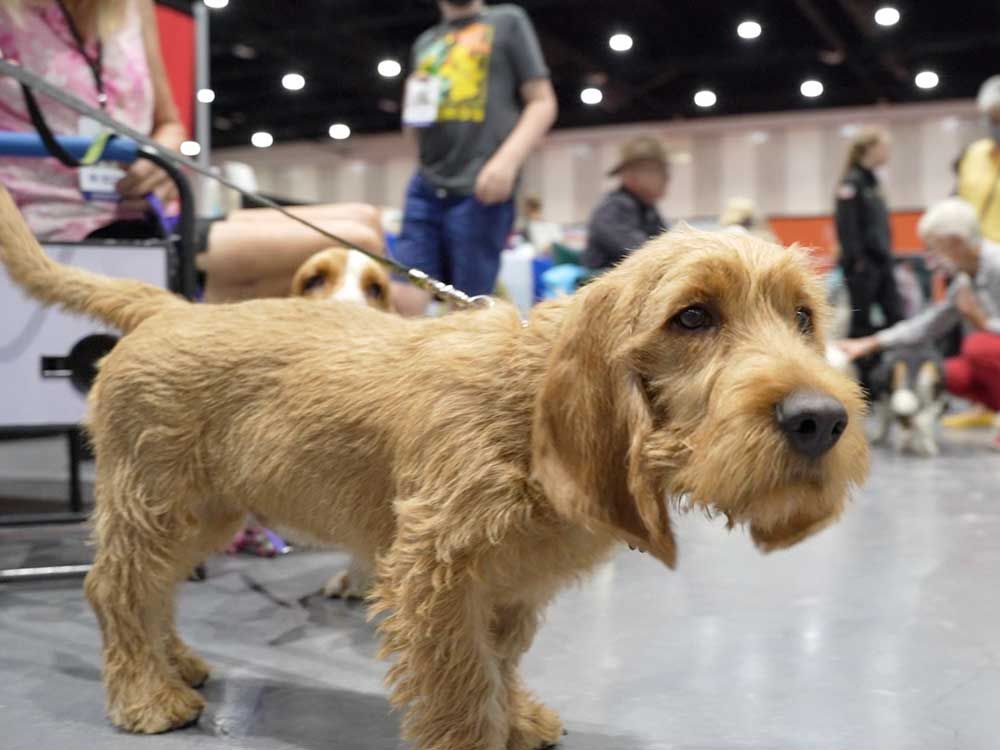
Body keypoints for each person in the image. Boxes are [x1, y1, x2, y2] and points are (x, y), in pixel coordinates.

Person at [0, 0, 383, 301]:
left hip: (145, 213)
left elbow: (170, 125)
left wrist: (161, 157)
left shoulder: (133, 7)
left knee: (366, 219)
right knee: (356, 239)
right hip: (47, 225)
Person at [391, 0, 557, 315]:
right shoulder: (425, 42)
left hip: (481, 187)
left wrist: (507, 162)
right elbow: (413, 127)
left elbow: (542, 101)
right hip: (426, 183)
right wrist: (411, 104)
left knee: (468, 304)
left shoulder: (507, 21)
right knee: (404, 294)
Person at [839, 198, 1000, 450]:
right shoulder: (964, 280)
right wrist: (871, 342)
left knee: (977, 348)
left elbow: (982, 331)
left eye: (936, 247)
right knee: (946, 372)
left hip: (987, 345)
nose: (932, 255)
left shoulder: (997, 263)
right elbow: (929, 324)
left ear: (956, 242)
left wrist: (982, 321)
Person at [942, 74, 1000, 428]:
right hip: (974, 257)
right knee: (971, 335)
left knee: (987, 335)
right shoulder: (974, 156)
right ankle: (987, 405)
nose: (995, 125)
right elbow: (960, 200)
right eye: (992, 118)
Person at [582, 135, 669, 272]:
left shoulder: (648, 210)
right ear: (629, 175)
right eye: (656, 170)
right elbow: (648, 255)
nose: (666, 177)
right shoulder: (613, 209)